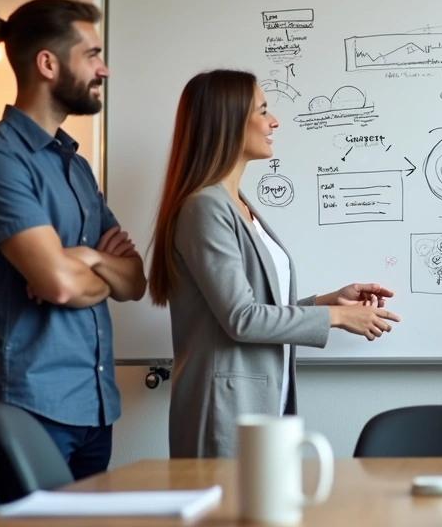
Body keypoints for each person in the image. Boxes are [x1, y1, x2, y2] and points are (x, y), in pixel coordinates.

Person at [149, 69, 401, 458]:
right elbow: (243, 319)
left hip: (261, 403)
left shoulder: (240, 206)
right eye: (263, 110)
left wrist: (329, 300)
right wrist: (336, 317)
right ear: (227, 121)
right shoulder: (205, 208)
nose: (274, 121)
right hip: (224, 410)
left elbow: (257, 312)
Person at [0, 0, 147, 488]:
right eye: (93, 54)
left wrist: (85, 257)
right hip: (28, 407)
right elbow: (57, 285)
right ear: (47, 64)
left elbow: (136, 281)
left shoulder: (76, 167)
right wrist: (83, 268)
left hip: (93, 406)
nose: (105, 68)